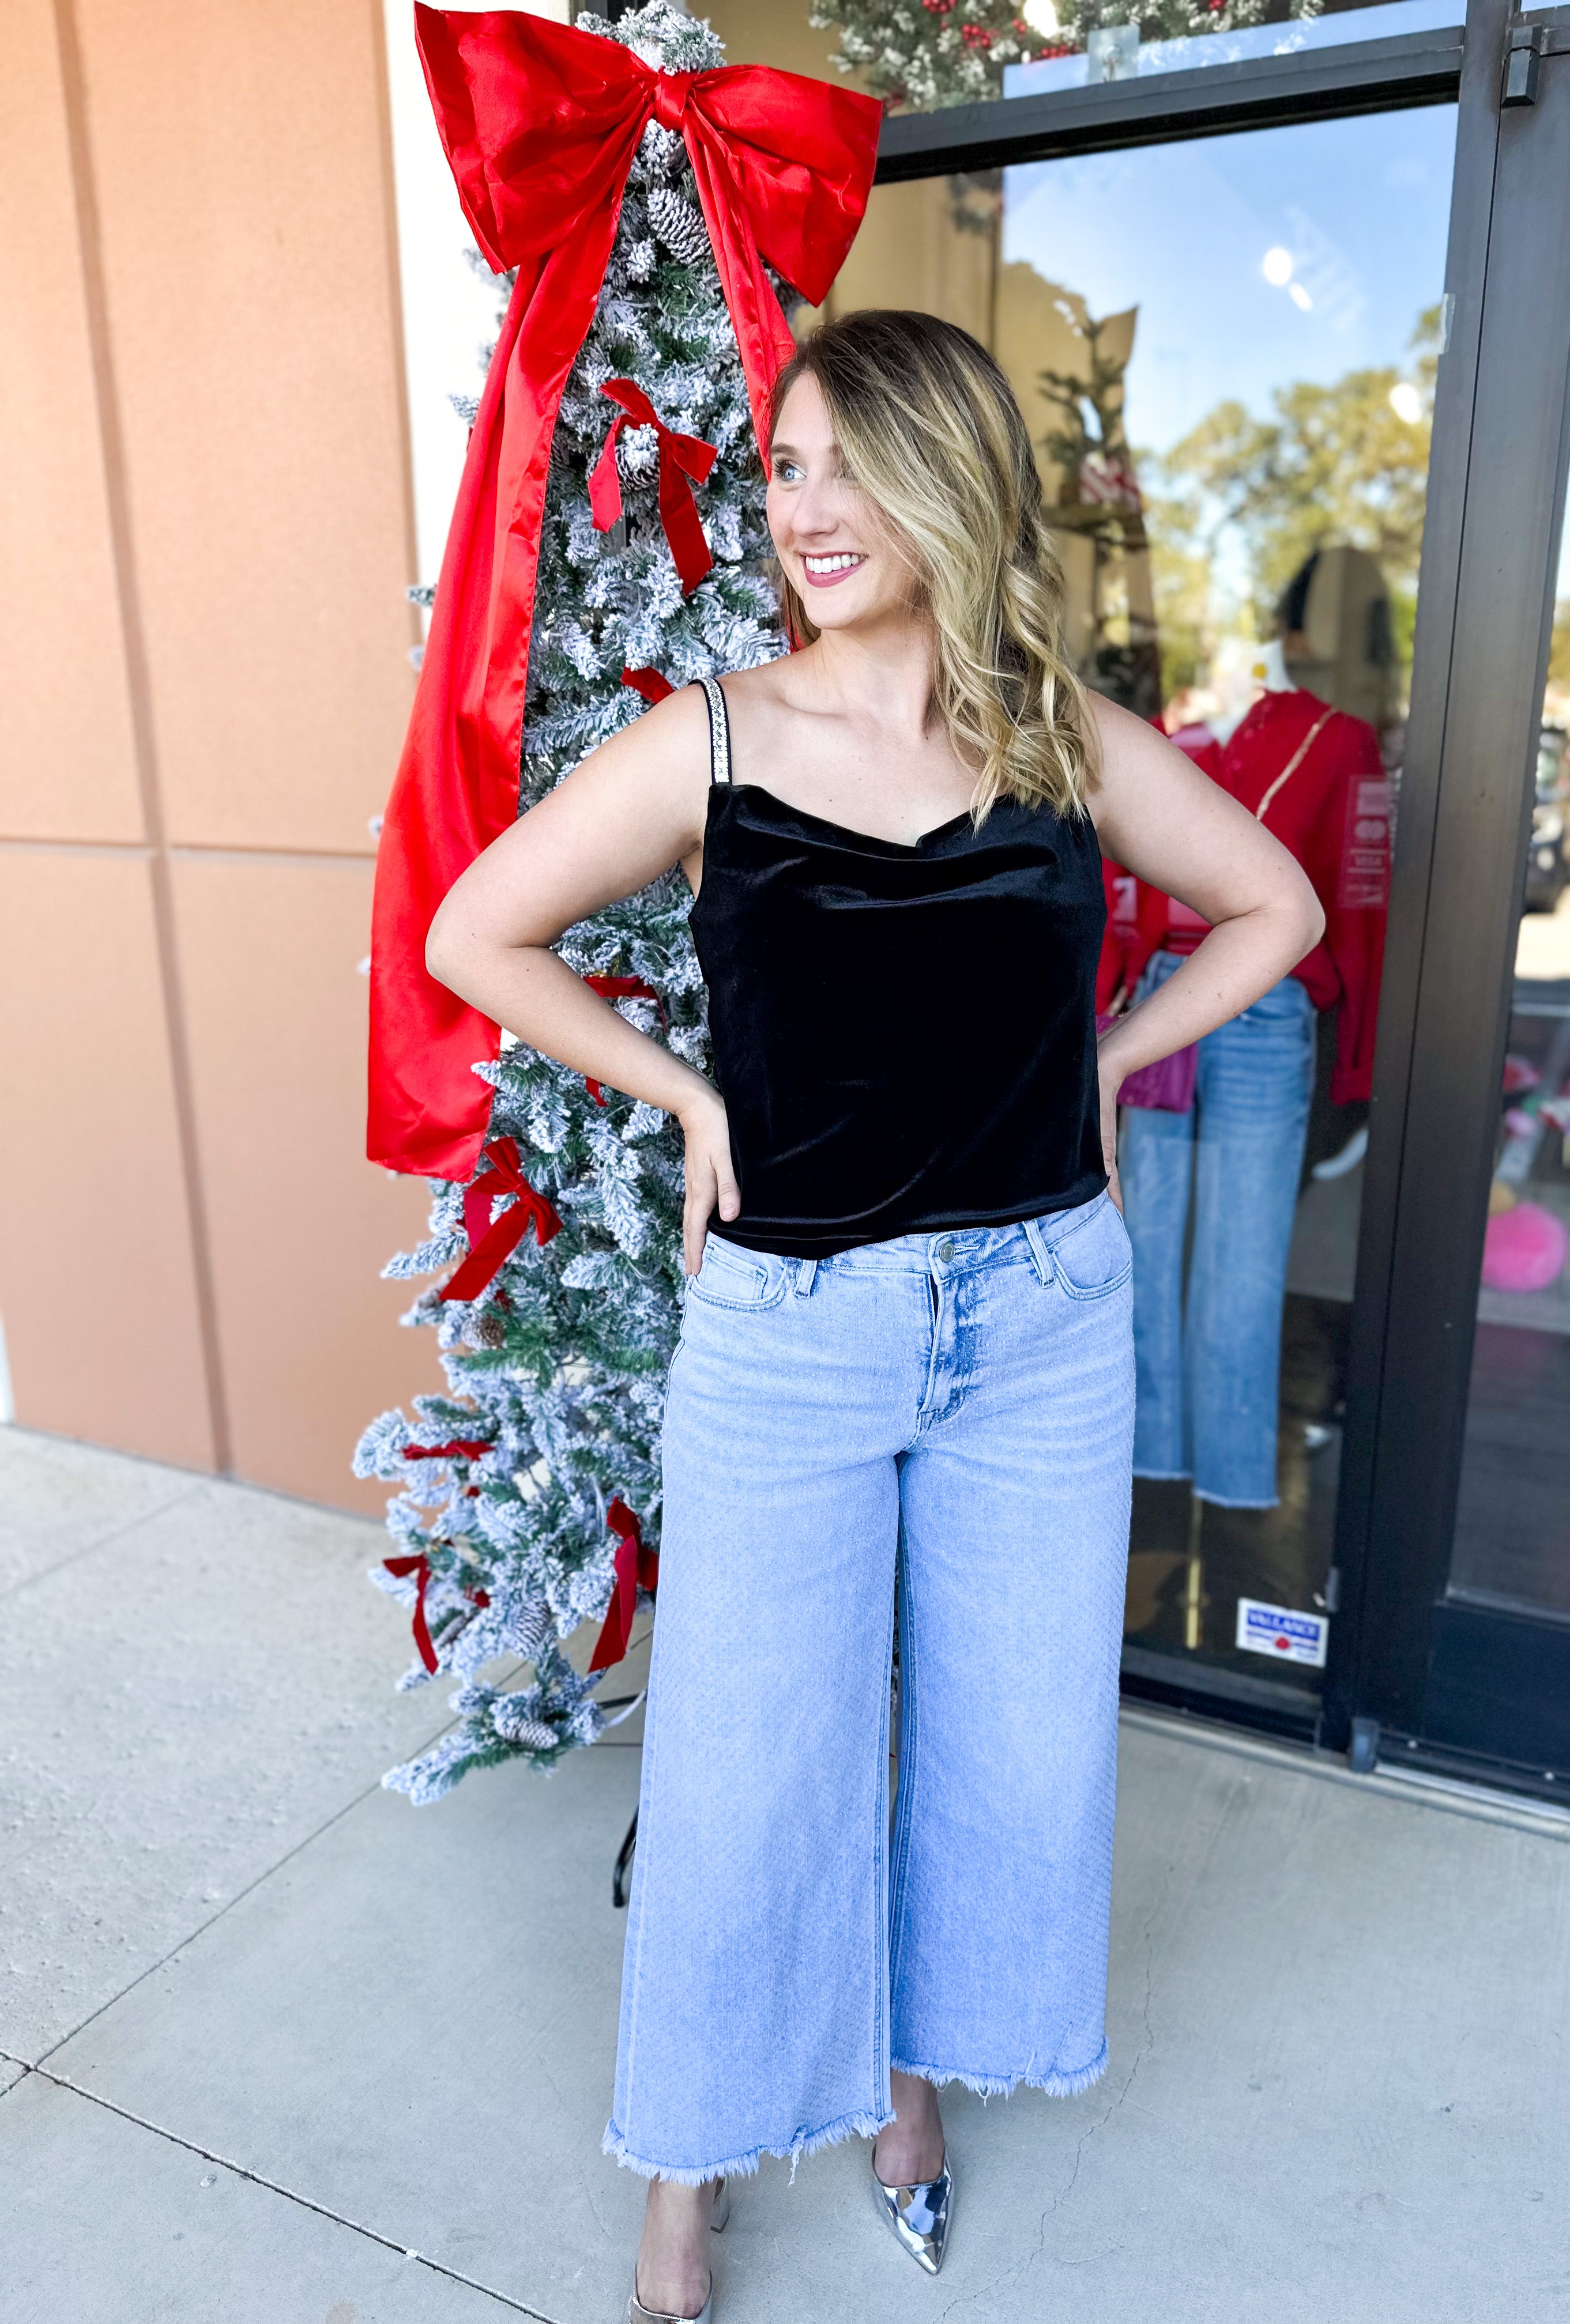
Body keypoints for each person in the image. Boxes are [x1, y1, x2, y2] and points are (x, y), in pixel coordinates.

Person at [426, 309, 1321, 2324]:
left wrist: (1109, 1059)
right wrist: (689, 1098)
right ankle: (687, 2172)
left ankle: (906, 2089)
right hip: (796, 1335)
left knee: (1008, 1756)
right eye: (785, 466)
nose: (803, 507)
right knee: (748, 1774)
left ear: (950, 476)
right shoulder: (715, 740)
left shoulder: (1060, 738)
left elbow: (1279, 903)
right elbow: (478, 930)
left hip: (1041, 1324)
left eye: (847, 462)